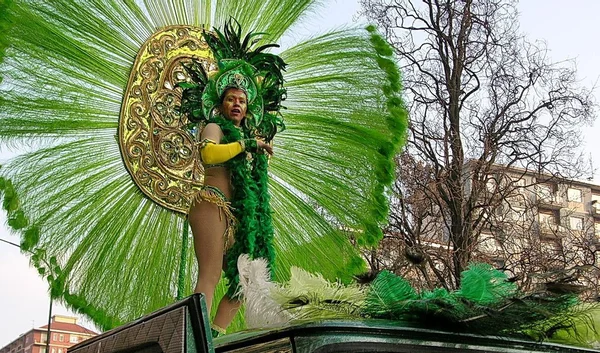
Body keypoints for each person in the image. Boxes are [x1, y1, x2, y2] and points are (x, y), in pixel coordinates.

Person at [187, 86, 273, 334]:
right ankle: (196, 338)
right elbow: (209, 153)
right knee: (210, 274)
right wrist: (244, 144)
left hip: (235, 216)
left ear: (248, 109)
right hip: (211, 204)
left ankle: (213, 335)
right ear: (220, 105)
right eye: (230, 99)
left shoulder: (248, 143)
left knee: (246, 281)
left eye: (242, 101)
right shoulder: (215, 127)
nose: (236, 104)